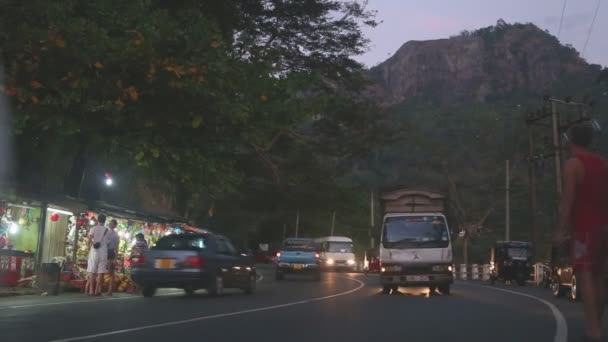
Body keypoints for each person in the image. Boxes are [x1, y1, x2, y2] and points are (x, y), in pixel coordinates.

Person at [554, 123, 608, 342]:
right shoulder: (604, 163)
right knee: (600, 276)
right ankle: (597, 326)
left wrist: (560, 230)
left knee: (585, 274)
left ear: (571, 140)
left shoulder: (573, 165)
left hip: (585, 228)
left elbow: (568, 201)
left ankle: (593, 331)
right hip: (605, 226)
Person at [86, 214, 109, 296]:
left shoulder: (93, 228)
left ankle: (91, 290)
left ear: (97, 220)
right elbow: (108, 243)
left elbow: (89, 240)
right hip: (103, 252)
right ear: (105, 220)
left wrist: (90, 247)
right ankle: (97, 290)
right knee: (100, 272)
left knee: (92, 271)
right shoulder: (107, 230)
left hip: (94, 252)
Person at [105, 220, 120, 296]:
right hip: (106, 252)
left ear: (115, 226)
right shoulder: (106, 232)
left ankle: (110, 290)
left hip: (110, 252)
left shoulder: (116, 235)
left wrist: (115, 258)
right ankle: (104, 289)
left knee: (111, 272)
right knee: (106, 272)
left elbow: (117, 247)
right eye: (110, 223)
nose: (110, 224)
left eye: (112, 224)